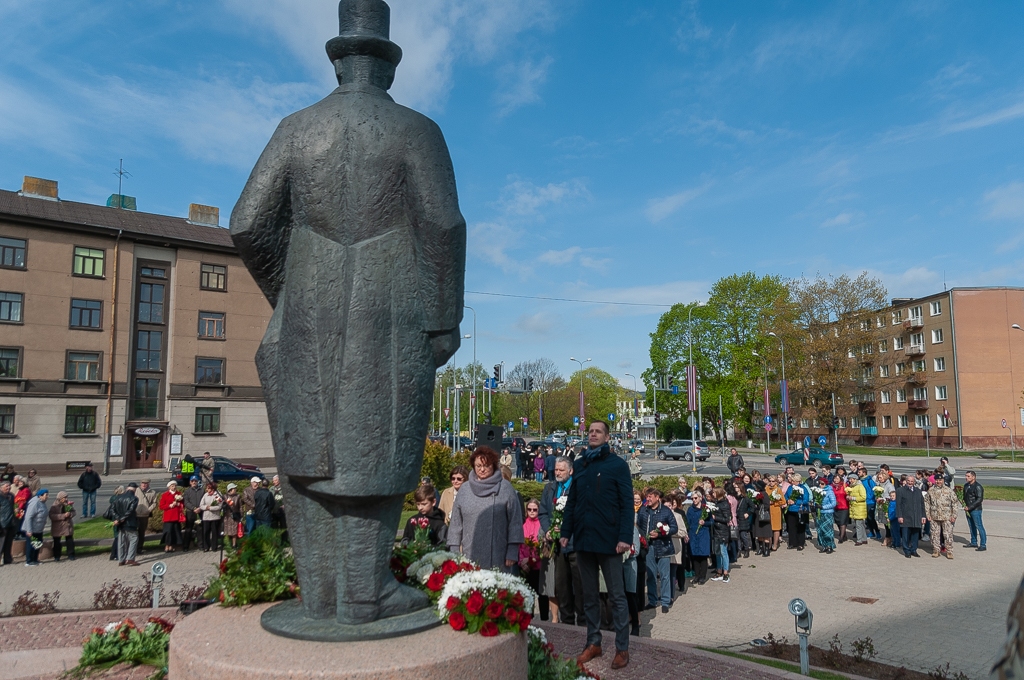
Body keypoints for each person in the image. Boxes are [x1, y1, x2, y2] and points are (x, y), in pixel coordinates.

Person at [559, 421, 633, 670]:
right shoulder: (581, 464)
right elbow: (572, 502)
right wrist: (566, 531)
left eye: (598, 431)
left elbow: (627, 504)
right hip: (584, 539)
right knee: (588, 595)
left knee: (616, 597)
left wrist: (625, 537)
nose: (592, 434)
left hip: (610, 541)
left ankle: (622, 648)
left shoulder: (618, 465)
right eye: (590, 431)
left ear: (607, 437)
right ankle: (594, 642)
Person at [447, 446, 524, 571]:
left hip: (499, 554)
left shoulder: (505, 488)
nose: (482, 469)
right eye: (478, 466)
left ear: (493, 465)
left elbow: (515, 521)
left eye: (486, 465)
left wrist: (512, 550)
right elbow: (456, 523)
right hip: (469, 553)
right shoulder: (464, 489)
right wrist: (454, 549)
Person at [540, 456, 581, 626]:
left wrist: (567, 528)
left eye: (561, 470)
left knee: (579, 587)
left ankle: (583, 623)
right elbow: (543, 512)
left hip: (575, 545)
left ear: (570, 471)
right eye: (556, 469)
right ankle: (567, 623)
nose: (557, 473)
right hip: (557, 547)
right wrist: (548, 530)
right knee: (562, 587)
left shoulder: (578, 488)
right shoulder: (550, 488)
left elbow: (583, 514)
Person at [637, 487, 677, 610]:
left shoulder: (665, 511)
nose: (647, 499)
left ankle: (665, 602)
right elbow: (639, 527)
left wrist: (660, 534)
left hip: (664, 547)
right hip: (648, 548)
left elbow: (674, 528)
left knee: (665, 576)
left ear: (657, 497)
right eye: (646, 497)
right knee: (650, 575)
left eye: (650, 497)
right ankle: (652, 600)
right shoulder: (643, 510)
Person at [924, 473, 958, 560]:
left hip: (947, 516)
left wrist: (954, 515)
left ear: (943, 480)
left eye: (940, 480)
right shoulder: (931, 490)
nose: (938, 482)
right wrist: (928, 514)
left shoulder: (949, 490)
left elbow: (954, 503)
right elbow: (927, 503)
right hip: (934, 516)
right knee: (935, 534)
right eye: (937, 480)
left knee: (948, 534)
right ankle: (936, 550)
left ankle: (949, 551)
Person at [896, 474, 926, 558]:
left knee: (915, 535)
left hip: (917, 516)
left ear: (914, 482)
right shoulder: (900, 490)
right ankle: (906, 550)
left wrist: (923, 516)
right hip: (905, 516)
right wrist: (899, 516)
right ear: (906, 481)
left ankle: (913, 550)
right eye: (908, 481)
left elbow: (922, 504)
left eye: (912, 481)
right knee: (905, 535)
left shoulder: (918, 491)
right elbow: (898, 504)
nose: (910, 482)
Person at [685, 488, 711, 584]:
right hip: (693, 534)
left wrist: (705, 523)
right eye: (692, 498)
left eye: (695, 498)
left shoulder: (706, 509)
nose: (694, 500)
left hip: (703, 534)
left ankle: (702, 576)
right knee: (695, 556)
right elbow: (687, 522)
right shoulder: (690, 510)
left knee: (703, 556)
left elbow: (711, 521)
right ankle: (696, 575)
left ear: (700, 498)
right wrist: (687, 532)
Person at [111, 483, 140, 566]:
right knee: (134, 539)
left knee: (121, 541)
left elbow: (112, 510)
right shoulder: (134, 498)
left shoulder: (118, 497)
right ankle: (130, 558)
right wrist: (122, 518)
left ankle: (121, 559)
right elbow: (130, 511)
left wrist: (118, 519)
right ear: (135, 489)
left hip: (120, 524)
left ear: (127, 488)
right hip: (130, 523)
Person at [710, 487, 732, 582]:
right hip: (716, 530)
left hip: (723, 531)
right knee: (717, 552)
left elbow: (727, 519)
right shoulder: (716, 503)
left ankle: (725, 572)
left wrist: (715, 517)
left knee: (723, 552)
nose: (713, 494)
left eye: (714, 493)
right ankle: (719, 571)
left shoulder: (724, 504)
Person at [784, 473, 811, 551]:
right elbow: (786, 495)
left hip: (800, 510)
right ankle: (792, 543)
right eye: (792, 481)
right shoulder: (790, 487)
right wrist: (788, 500)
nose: (792, 482)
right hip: (791, 509)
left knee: (800, 527)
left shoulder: (803, 488)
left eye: (793, 481)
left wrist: (796, 502)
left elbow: (806, 500)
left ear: (798, 481)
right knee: (791, 527)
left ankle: (800, 543)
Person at [46, 490, 76, 561]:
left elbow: (74, 512)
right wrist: (63, 516)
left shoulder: (68, 504)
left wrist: (70, 514)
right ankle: (57, 556)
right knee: (57, 542)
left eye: (66, 497)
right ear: (60, 498)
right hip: (58, 526)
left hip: (67, 525)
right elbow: (51, 516)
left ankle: (71, 554)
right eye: (64, 497)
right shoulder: (54, 506)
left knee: (69, 540)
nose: (66, 499)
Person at [23, 489, 49, 566]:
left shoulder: (42, 503)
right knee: (31, 545)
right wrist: (29, 530)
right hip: (32, 528)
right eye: (46, 495)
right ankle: (29, 561)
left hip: (38, 528)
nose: (47, 496)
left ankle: (35, 559)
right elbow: (28, 517)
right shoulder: (34, 503)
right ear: (40, 496)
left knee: (37, 544)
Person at [963, 470, 986, 551]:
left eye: (968, 476)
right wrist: (964, 503)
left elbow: (979, 499)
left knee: (979, 526)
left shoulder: (978, 487)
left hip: (975, 510)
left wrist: (970, 507)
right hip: (968, 509)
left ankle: (983, 544)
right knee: (971, 526)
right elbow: (965, 496)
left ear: (973, 477)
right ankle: (973, 542)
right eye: (966, 476)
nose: (966, 478)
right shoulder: (966, 485)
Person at [159, 481, 185, 552]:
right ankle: (167, 545)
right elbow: (161, 506)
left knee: (175, 531)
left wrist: (179, 504)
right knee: (168, 532)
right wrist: (169, 505)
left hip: (176, 516)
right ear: (169, 487)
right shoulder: (165, 495)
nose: (174, 487)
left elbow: (183, 504)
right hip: (168, 516)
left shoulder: (179, 494)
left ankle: (173, 545)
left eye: (175, 486)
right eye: (172, 486)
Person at [198, 482, 224, 552]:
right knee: (206, 532)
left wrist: (210, 508)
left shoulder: (218, 495)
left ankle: (214, 547)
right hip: (206, 517)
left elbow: (219, 506)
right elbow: (201, 505)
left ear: (212, 489)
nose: (207, 490)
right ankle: (206, 546)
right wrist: (206, 507)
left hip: (215, 517)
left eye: (208, 488)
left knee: (214, 532)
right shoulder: (205, 495)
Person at [814, 476, 836, 554]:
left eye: (822, 484)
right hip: (819, 513)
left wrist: (823, 507)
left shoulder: (829, 491)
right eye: (819, 483)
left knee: (828, 530)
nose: (820, 485)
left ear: (826, 484)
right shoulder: (818, 491)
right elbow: (816, 500)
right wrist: (815, 504)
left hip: (827, 513)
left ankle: (830, 546)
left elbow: (833, 503)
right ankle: (824, 545)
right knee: (820, 530)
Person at [182, 476, 204, 551]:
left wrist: (200, 508)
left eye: (195, 481)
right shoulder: (187, 491)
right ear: (190, 482)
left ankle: (200, 545)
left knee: (200, 529)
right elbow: (186, 502)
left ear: (197, 482)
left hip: (199, 512)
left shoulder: (202, 490)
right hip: (190, 512)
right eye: (192, 481)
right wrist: (193, 508)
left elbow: (204, 500)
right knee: (188, 529)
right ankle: (186, 546)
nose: (194, 482)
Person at [134, 479, 157, 554]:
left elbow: (154, 503)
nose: (144, 485)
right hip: (135, 515)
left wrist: (148, 510)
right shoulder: (136, 490)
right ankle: (132, 549)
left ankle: (139, 549)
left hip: (144, 515)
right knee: (134, 532)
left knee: (141, 532)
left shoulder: (152, 492)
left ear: (148, 484)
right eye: (142, 483)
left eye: (145, 483)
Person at [846, 473, 868, 545]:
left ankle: (859, 540)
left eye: (851, 479)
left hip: (859, 508)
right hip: (855, 507)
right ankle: (864, 539)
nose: (850, 480)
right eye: (849, 479)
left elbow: (863, 497)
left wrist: (852, 498)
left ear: (855, 479)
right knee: (861, 524)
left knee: (858, 525)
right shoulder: (852, 486)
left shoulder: (860, 486)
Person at [766, 475, 786, 551]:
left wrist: (775, 503)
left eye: (773, 481)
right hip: (768, 510)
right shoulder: (766, 489)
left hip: (776, 510)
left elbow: (783, 501)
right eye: (770, 481)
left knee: (776, 528)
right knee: (769, 527)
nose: (771, 482)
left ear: (776, 482)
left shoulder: (778, 490)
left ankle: (775, 544)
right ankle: (769, 543)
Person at [831, 469, 850, 544]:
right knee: (838, 522)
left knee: (842, 522)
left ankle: (841, 537)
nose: (835, 480)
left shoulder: (844, 486)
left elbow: (848, 493)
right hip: (835, 506)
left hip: (844, 506)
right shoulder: (831, 486)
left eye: (837, 478)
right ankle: (844, 535)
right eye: (834, 478)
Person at [0, 481, 16, 565]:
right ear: (1, 487)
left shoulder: (11, 496)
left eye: (9, 486)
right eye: (6, 486)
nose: (8, 488)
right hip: (2, 523)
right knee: (1, 543)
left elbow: (14, 506)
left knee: (9, 542)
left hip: (11, 521)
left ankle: (7, 559)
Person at [107, 485, 124, 561]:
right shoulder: (120, 499)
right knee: (118, 538)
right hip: (118, 519)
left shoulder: (113, 498)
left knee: (116, 536)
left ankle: (113, 554)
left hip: (114, 519)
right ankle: (115, 554)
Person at [223, 483, 242, 549]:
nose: (235, 489)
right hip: (227, 516)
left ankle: (234, 544)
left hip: (235, 515)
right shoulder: (225, 496)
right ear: (230, 489)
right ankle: (228, 544)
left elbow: (240, 506)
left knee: (234, 530)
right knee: (227, 530)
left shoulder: (238, 496)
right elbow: (222, 506)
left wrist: (241, 514)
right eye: (234, 488)